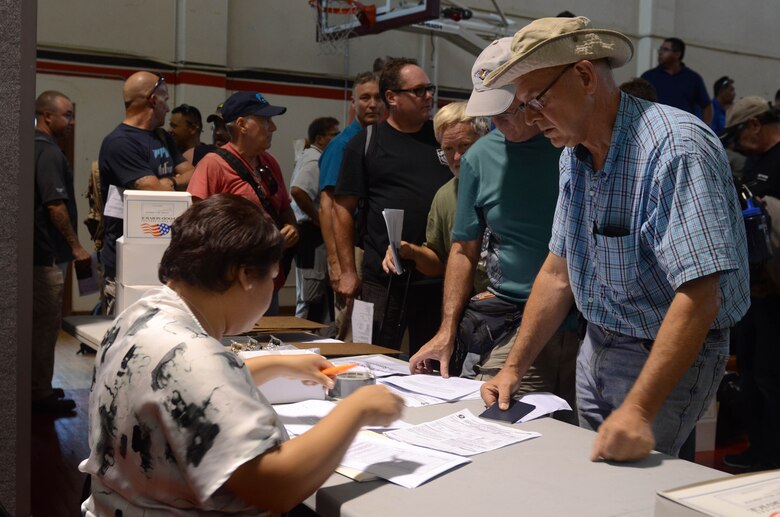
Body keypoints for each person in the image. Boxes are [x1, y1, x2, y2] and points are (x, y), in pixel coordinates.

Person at [482, 16, 749, 461]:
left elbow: (700, 296)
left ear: (584, 76)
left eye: (537, 100)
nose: (530, 117)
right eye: (523, 105)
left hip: (664, 358)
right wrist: (514, 368)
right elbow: (556, 273)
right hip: (597, 345)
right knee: (598, 482)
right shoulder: (573, 153)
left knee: (633, 493)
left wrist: (640, 409)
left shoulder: (675, 148)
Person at [79, 193, 403, 515]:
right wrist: (356, 411)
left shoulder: (140, 315)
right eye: (273, 277)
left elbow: (179, 384)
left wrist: (279, 363)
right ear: (245, 275)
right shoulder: (194, 358)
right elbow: (274, 487)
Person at [406, 40, 580, 425]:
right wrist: (447, 329)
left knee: (574, 441)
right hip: (515, 319)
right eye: (491, 115)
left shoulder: (573, 146)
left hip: (586, 321)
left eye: (506, 112)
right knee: (499, 421)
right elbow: (463, 249)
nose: (498, 123)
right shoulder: (480, 158)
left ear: (528, 97)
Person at [332, 58, 452, 353]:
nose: (428, 97)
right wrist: (348, 271)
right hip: (383, 283)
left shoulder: (442, 139)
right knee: (372, 359)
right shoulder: (364, 144)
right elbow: (343, 209)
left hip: (436, 280)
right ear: (392, 97)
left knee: (431, 368)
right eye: (419, 90)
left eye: (430, 88)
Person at [187, 91, 299, 315]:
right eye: (266, 120)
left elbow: (285, 209)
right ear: (241, 124)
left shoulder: (270, 163)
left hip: (267, 281)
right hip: (230, 285)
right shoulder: (213, 165)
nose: (273, 127)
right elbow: (195, 226)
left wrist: (292, 229)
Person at [98, 71, 195, 315]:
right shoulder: (120, 142)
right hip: (127, 263)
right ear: (153, 100)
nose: (168, 106)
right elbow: (151, 190)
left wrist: (168, 183)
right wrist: (173, 182)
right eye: (166, 99)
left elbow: (192, 173)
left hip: (163, 257)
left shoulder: (162, 137)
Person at [720, 96, 780, 471]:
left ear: (755, 125)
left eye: (738, 134)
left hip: (775, 292)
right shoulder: (755, 163)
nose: (736, 144)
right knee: (751, 372)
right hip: (752, 289)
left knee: (772, 377)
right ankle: (758, 449)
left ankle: (772, 457)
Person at [381, 101, 489, 285]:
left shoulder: (509, 184)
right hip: (470, 305)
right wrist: (411, 252)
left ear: (486, 140)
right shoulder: (445, 196)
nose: (457, 158)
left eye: (465, 145)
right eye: (448, 149)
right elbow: (438, 262)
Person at [32, 90, 90, 413]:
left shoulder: (35, 148)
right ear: (47, 116)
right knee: (45, 325)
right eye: (67, 115)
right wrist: (76, 246)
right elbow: (55, 206)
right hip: (48, 258)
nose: (72, 121)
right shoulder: (49, 152)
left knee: (42, 324)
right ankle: (38, 394)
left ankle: (39, 386)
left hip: (41, 255)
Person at [319, 71, 384, 340]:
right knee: (352, 330)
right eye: (365, 98)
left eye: (377, 97)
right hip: (351, 252)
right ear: (353, 102)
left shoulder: (379, 139)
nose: (372, 104)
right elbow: (327, 207)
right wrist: (336, 263)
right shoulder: (344, 145)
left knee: (367, 329)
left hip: (372, 249)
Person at [290, 116, 340, 322]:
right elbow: (298, 191)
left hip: (313, 236)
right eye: (334, 136)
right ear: (320, 139)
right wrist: (320, 219)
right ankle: (303, 344)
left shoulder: (313, 156)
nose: (338, 140)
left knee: (317, 296)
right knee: (311, 297)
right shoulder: (314, 159)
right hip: (311, 236)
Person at [641, 37, 712, 125]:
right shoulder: (648, 77)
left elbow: (707, 106)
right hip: (656, 128)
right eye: (660, 49)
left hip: (685, 130)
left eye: (665, 49)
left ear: (677, 54)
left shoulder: (693, 78)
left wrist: (705, 128)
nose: (660, 52)